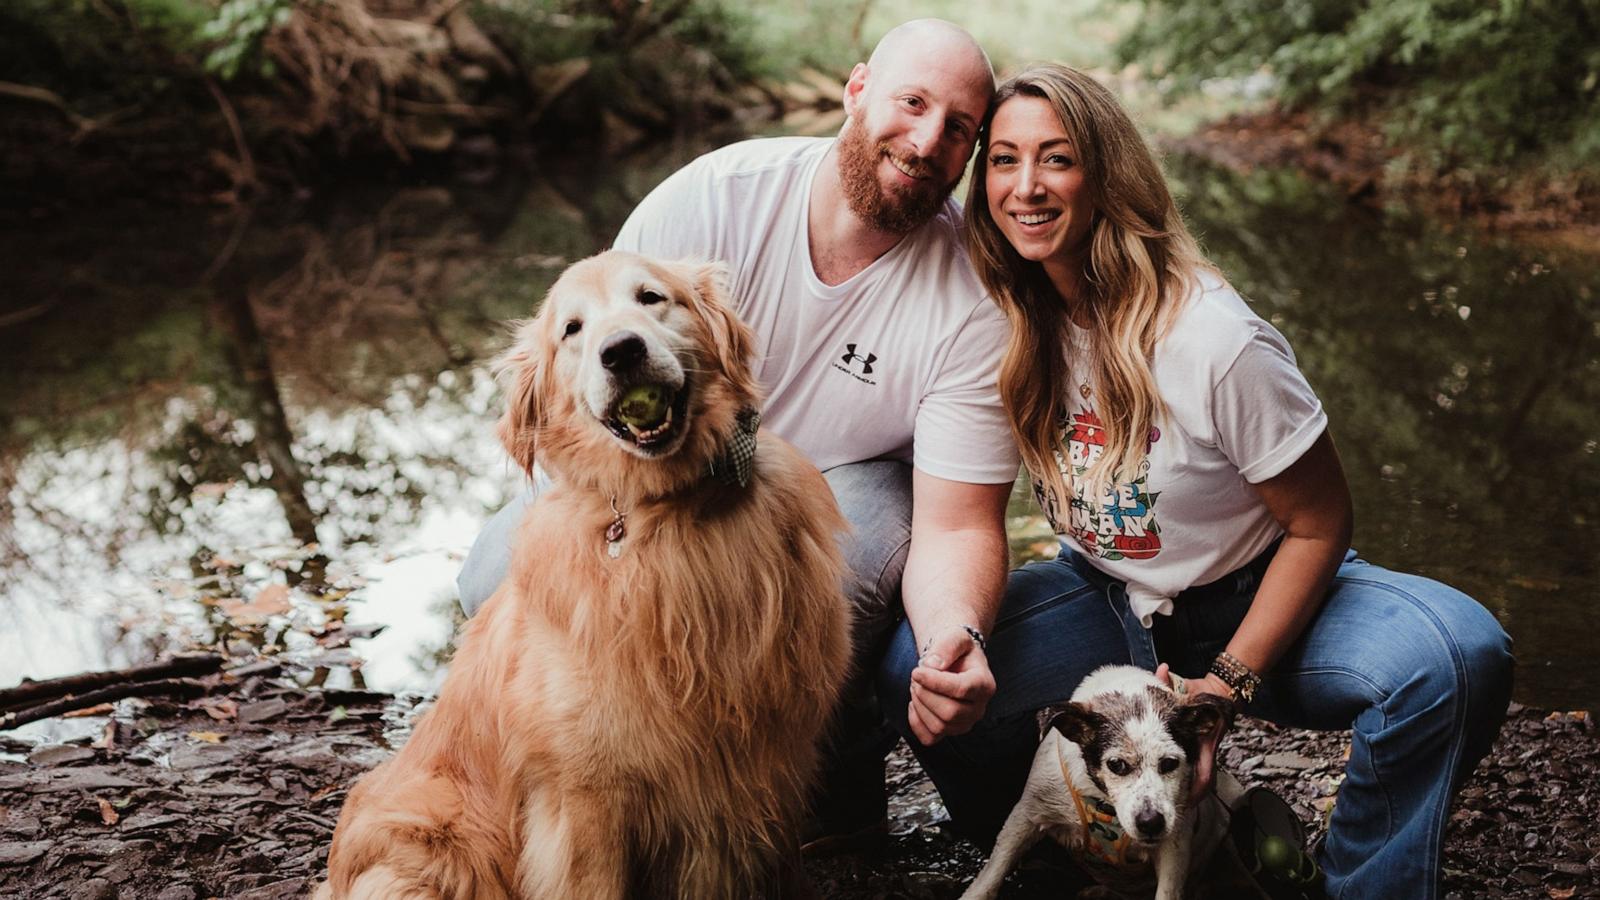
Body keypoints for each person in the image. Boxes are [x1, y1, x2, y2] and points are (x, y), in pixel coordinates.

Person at [877, 63, 1514, 897]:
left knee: (1456, 655)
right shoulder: (1003, 323)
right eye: (1003, 160)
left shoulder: (1212, 339)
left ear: (1107, 176)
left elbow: (1321, 525)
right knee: (918, 668)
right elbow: (962, 523)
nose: (1025, 186)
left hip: (1252, 596)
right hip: (1105, 596)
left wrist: (1229, 681)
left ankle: (1352, 880)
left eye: (1057, 159)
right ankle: (1076, 850)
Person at [455, 20, 1054, 847]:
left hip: (847, 488)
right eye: (910, 103)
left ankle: (819, 774)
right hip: (670, 474)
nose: (925, 141)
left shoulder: (974, 298)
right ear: (856, 92)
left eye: (958, 128)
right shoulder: (714, 196)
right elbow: (590, 374)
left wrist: (955, 635)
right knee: (497, 575)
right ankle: (625, 771)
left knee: (819, 589)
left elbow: (957, 521)